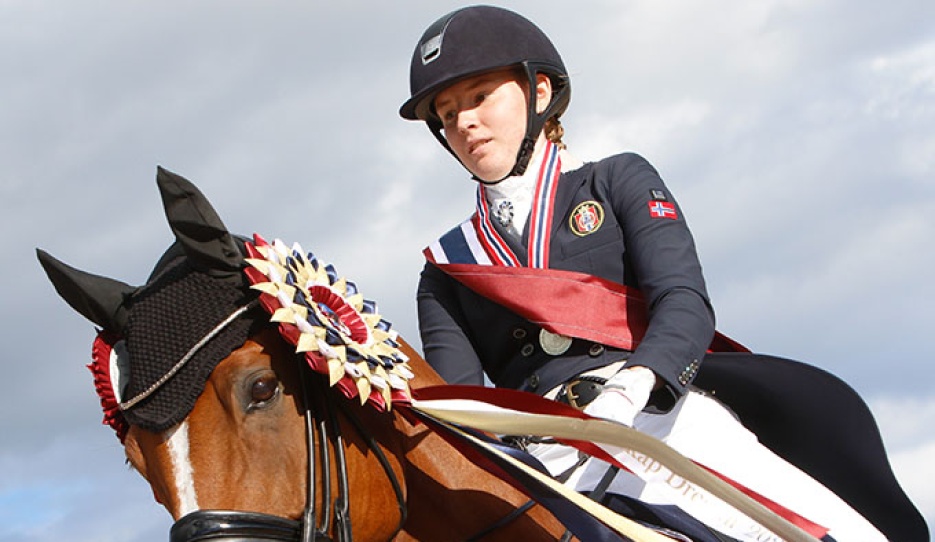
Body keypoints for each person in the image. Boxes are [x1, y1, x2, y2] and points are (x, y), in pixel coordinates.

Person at [400, 5, 927, 542]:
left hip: (654, 417)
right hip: (541, 455)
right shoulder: (447, 266)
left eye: (480, 97)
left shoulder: (617, 180)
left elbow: (682, 301)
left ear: (538, 92)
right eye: (446, 114)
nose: (463, 122)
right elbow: (459, 406)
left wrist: (633, 387)